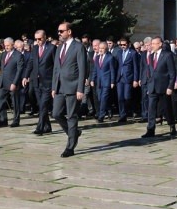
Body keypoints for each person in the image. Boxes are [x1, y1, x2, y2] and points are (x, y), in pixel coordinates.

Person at [52, 22, 87, 157]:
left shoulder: (78, 47)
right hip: (60, 87)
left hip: (73, 86)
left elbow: (83, 69)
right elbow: (56, 68)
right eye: (58, 31)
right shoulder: (60, 48)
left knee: (72, 116)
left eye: (61, 31)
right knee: (56, 113)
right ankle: (74, 133)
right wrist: (54, 87)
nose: (59, 33)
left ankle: (70, 147)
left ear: (69, 31)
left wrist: (80, 88)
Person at [142, 36, 177, 138]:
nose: (152, 46)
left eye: (154, 44)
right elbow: (150, 71)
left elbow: (172, 72)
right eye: (151, 44)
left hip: (163, 86)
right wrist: (149, 84)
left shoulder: (167, 55)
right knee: (151, 108)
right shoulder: (151, 56)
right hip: (152, 86)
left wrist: (170, 86)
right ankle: (150, 129)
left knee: (166, 108)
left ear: (160, 44)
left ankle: (171, 124)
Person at [24, 29, 55, 135]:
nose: (38, 41)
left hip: (47, 81)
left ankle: (40, 127)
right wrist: (26, 76)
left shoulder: (52, 48)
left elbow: (56, 66)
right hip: (36, 81)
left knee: (43, 105)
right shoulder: (35, 48)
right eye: (36, 39)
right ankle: (48, 127)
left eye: (40, 39)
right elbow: (31, 62)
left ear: (45, 37)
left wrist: (55, 81)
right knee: (41, 104)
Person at [0, 37, 24, 127]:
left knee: (15, 102)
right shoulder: (4, 54)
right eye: (5, 45)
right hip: (3, 82)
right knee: (0, 100)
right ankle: (3, 119)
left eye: (8, 45)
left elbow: (19, 70)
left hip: (12, 82)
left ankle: (16, 120)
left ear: (13, 45)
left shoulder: (18, 55)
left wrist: (15, 83)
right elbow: (2, 68)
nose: (6, 47)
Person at [90, 41, 116, 123]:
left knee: (103, 98)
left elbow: (112, 70)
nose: (100, 50)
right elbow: (95, 70)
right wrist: (92, 79)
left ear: (106, 49)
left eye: (102, 48)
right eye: (99, 48)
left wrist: (112, 81)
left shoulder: (110, 58)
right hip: (99, 81)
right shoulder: (97, 57)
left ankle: (101, 116)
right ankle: (108, 109)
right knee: (99, 98)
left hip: (106, 81)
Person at [115, 37, 138, 123]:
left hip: (128, 77)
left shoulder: (133, 53)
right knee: (120, 97)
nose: (122, 46)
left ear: (128, 44)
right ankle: (122, 115)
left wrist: (135, 79)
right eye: (121, 45)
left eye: (124, 44)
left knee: (127, 96)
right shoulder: (119, 52)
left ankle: (129, 110)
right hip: (119, 78)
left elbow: (135, 67)